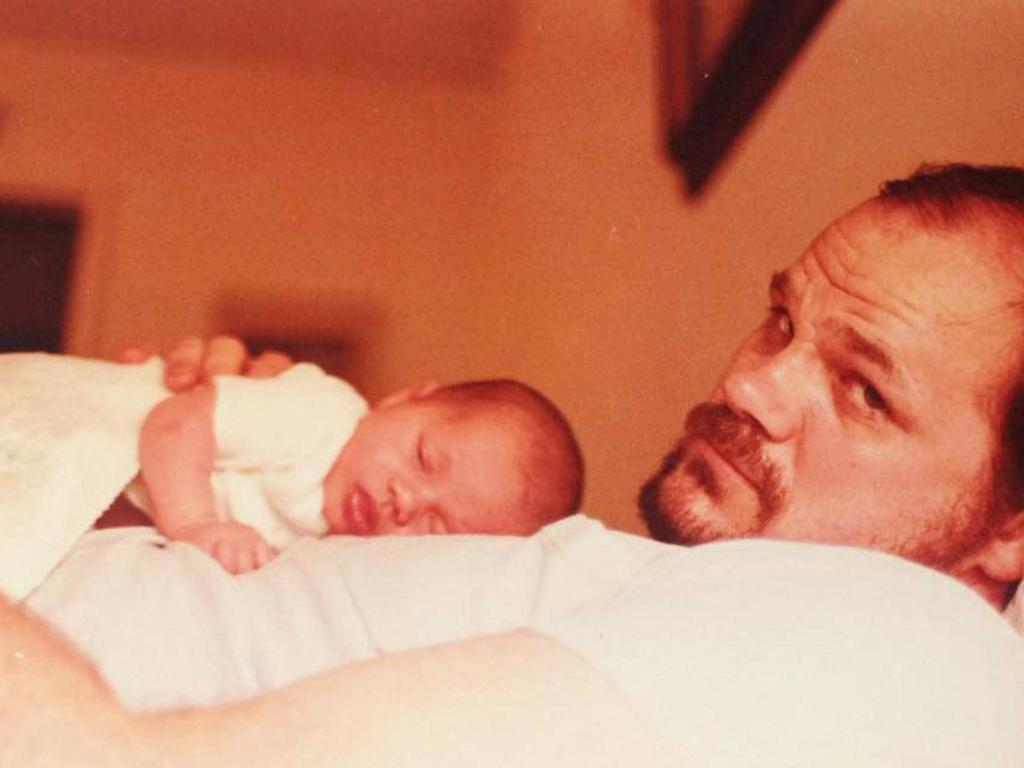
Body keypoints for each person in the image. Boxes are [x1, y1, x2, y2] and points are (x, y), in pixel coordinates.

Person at [7, 163, 1024, 766]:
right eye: (779, 320)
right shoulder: (671, 600)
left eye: (864, 391)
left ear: (1011, 532)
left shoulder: (919, 646)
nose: (752, 384)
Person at [130, 361, 583, 572]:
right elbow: (177, 420)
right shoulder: (321, 417)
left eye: (436, 526)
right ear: (407, 398)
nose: (405, 501)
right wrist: (194, 523)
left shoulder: (338, 553)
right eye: (423, 458)